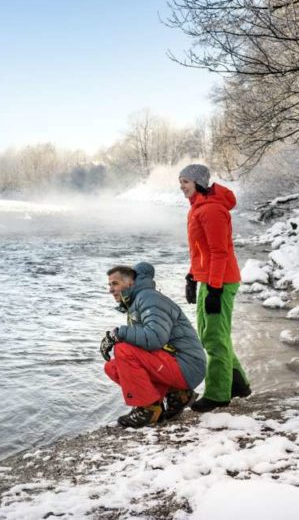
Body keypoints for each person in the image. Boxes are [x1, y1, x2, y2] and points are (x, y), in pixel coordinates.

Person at [178, 163, 252, 412]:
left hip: (219, 281)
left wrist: (217, 289)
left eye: (185, 181)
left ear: (198, 182)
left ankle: (219, 394)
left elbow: (220, 252)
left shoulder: (211, 210)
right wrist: (192, 277)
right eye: (180, 181)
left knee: (214, 337)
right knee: (210, 333)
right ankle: (237, 383)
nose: (182, 186)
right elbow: (200, 251)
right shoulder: (197, 208)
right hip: (208, 279)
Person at [100, 262, 207, 428]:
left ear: (130, 283)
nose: (111, 289)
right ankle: (176, 395)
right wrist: (117, 336)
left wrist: (118, 333)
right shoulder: (138, 300)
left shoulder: (149, 298)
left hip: (187, 365)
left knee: (123, 350)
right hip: (175, 363)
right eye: (109, 285)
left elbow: (156, 338)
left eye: (115, 283)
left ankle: (148, 409)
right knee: (113, 367)